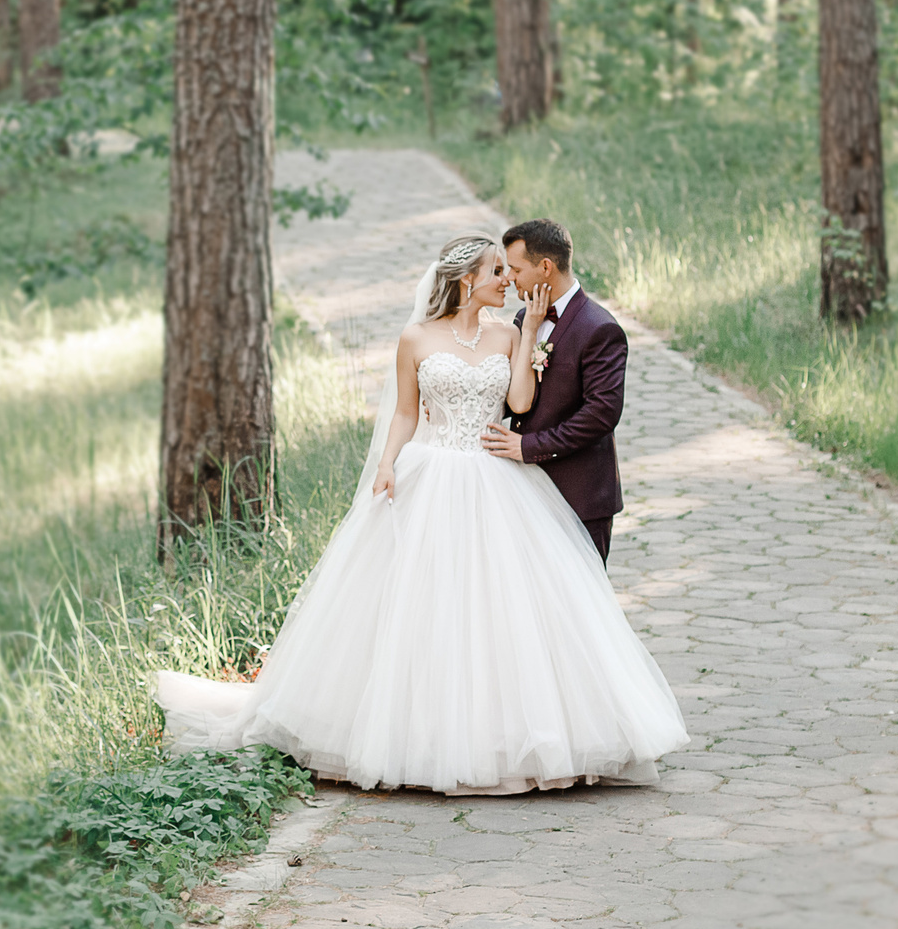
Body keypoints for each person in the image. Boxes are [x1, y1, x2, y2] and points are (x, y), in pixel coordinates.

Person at [152, 233, 688, 795]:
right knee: (423, 602)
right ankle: (413, 730)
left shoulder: (509, 333)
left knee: (497, 605)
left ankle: (505, 734)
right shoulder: (415, 338)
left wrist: (529, 334)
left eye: (511, 269)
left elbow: (523, 405)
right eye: (497, 271)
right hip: (430, 473)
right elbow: (406, 414)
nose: (507, 280)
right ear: (466, 280)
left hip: (494, 477)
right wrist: (388, 464)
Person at [480, 218, 625, 565]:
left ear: (545, 267)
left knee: (581, 607)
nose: (509, 278)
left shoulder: (600, 329)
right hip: (520, 490)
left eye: (515, 269)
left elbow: (601, 414)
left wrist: (528, 446)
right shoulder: (521, 320)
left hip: (578, 494)